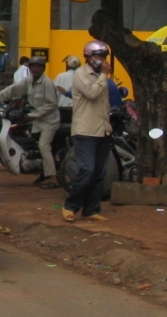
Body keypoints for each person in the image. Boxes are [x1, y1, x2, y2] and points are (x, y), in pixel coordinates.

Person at [63, 40, 113, 222]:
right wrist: (104, 76)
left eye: (104, 56)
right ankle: (71, 206)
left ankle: (92, 209)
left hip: (103, 130)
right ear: (89, 57)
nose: (102, 60)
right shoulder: (80, 74)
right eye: (99, 56)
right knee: (87, 169)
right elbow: (92, 93)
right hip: (85, 131)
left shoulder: (103, 77)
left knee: (100, 173)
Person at [0, 56, 60, 187]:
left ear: (43, 68)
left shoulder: (47, 83)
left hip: (49, 121)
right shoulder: (29, 80)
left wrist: (33, 115)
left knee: (44, 146)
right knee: (32, 144)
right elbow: (13, 90)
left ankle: (53, 178)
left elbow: (51, 104)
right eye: (33, 66)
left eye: (39, 66)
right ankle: (42, 171)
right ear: (29, 67)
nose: (36, 69)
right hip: (37, 120)